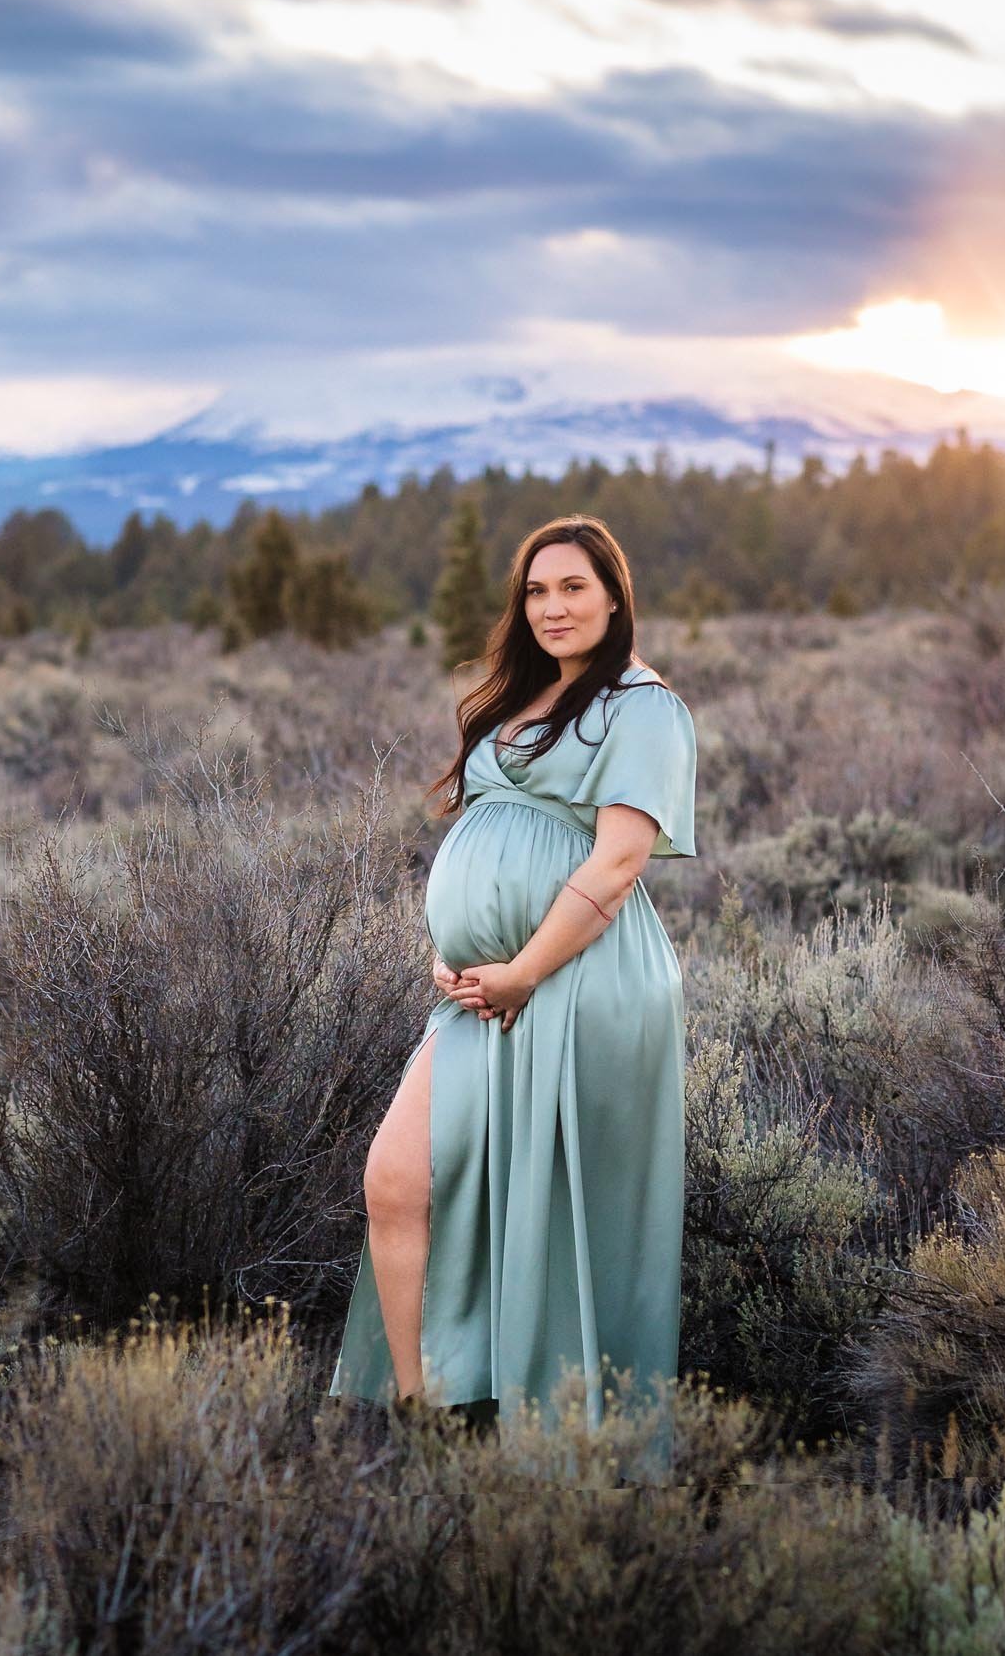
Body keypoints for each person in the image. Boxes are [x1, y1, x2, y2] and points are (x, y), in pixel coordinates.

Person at [326, 514, 698, 1471]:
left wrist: (525, 968)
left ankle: (561, 1446)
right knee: (396, 1178)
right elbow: (490, 839)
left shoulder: (642, 707)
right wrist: (457, 951)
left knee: (554, 1214)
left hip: (577, 985)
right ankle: (424, 1418)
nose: (552, 607)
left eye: (573, 587)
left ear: (614, 595)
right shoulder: (524, 696)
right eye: (536, 591)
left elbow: (618, 862)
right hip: (482, 991)